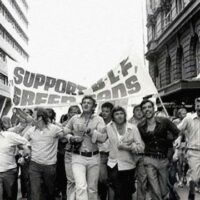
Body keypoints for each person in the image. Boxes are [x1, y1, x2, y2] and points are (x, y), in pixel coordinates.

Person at [64, 95, 106, 200]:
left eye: (89, 103)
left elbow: (103, 138)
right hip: (78, 157)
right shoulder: (75, 118)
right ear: (81, 105)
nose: (86, 104)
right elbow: (65, 131)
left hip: (94, 157)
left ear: (94, 106)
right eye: (84, 102)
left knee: (92, 188)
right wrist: (71, 138)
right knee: (81, 186)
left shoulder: (99, 119)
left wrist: (90, 131)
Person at [137, 99, 180, 200]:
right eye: (144, 108)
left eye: (149, 107)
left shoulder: (164, 121)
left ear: (153, 108)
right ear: (142, 111)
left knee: (164, 189)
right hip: (149, 159)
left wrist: (176, 140)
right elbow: (138, 141)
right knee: (154, 188)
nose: (147, 110)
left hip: (164, 159)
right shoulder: (140, 126)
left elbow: (178, 132)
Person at [24, 108, 64, 200]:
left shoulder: (54, 129)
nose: (30, 117)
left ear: (39, 118)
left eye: (33, 116)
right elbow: (22, 141)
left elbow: (64, 134)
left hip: (50, 166)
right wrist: (25, 148)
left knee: (49, 192)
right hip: (34, 165)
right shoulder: (30, 130)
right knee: (35, 192)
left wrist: (61, 135)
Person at [106, 106, 144, 200]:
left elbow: (141, 148)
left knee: (127, 192)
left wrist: (128, 147)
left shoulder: (132, 128)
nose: (119, 116)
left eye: (121, 113)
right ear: (113, 116)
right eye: (116, 114)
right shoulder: (108, 127)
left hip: (128, 164)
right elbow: (101, 138)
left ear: (125, 115)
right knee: (118, 191)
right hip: (113, 164)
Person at [175, 97, 200, 200]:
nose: (199, 105)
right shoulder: (189, 118)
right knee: (195, 177)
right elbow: (178, 129)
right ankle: (192, 192)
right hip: (193, 152)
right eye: (197, 104)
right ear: (195, 106)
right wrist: (179, 138)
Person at [0, 118, 30, 200]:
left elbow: (26, 143)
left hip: (9, 172)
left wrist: (24, 155)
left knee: (10, 197)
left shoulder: (9, 136)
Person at [128, 104, 147, 200]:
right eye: (137, 110)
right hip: (131, 155)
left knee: (142, 179)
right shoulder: (128, 123)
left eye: (141, 110)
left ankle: (141, 198)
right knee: (129, 179)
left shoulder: (147, 122)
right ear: (133, 112)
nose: (139, 112)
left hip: (144, 154)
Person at [63, 105, 81, 200]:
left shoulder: (84, 123)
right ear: (68, 113)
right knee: (71, 181)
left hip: (82, 154)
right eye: (72, 112)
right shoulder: (64, 125)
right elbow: (61, 139)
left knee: (81, 181)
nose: (74, 114)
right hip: (69, 153)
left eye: (76, 112)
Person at [98, 102, 114, 200]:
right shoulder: (98, 122)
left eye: (107, 111)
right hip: (101, 154)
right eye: (103, 111)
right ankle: (102, 195)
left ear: (111, 112)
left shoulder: (115, 123)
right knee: (102, 179)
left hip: (113, 155)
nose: (104, 113)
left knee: (112, 180)